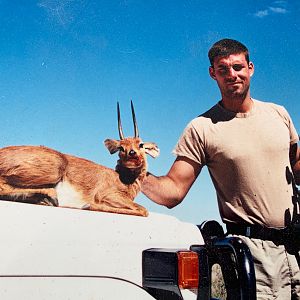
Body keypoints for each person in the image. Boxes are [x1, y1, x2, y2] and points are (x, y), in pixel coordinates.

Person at [142, 38, 300, 299]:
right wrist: (133, 174)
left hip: (296, 247)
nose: (232, 75)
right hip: (256, 257)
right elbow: (173, 191)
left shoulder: (279, 114)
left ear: (250, 68)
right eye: (223, 69)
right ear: (212, 73)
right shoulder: (202, 127)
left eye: (238, 67)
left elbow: (296, 165)